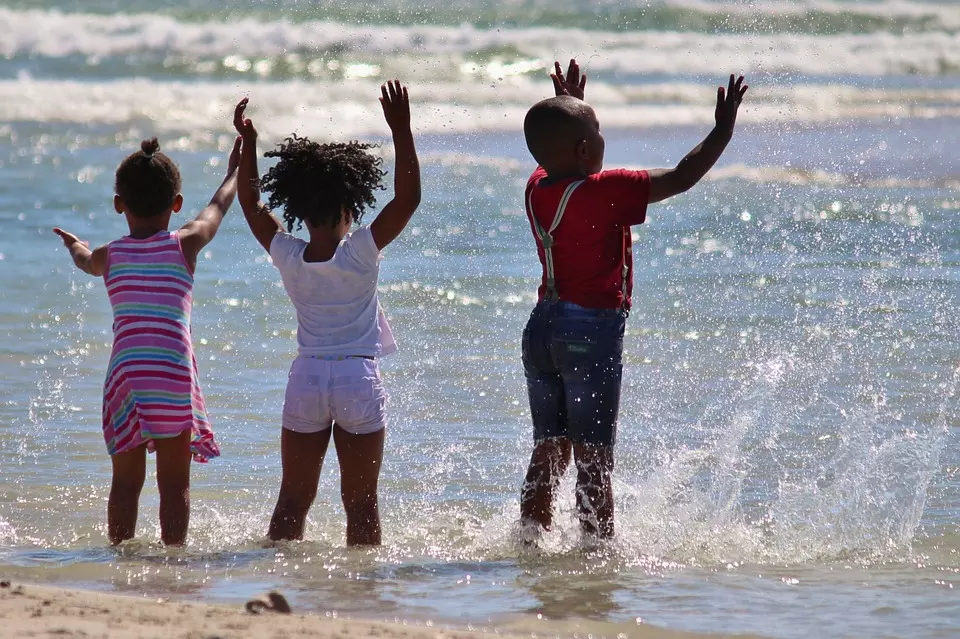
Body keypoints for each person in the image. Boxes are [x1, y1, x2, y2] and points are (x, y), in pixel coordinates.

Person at [519, 59, 748, 540]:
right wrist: (722, 132)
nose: (604, 136)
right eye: (597, 129)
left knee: (551, 447)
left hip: (542, 330)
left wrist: (570, 107)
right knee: (594, 456)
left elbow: (556, 153)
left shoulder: (537, 186)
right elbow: (683, 176)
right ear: (585, 149)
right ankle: (596, 557)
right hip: (589, 333)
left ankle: (530, 539)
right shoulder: (608, 190)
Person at [232, 80, 420, 546]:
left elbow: (252, 205)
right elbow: (407, 199)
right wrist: (402, 129)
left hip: (307, 378)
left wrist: (251, 145)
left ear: (297, 208)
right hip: (357, 378)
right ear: (348, 207)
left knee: (293, 500)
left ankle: (279, 576)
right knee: (361, 504)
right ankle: (359, 590)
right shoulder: (359, 252)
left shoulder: (288, 256)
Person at [52, 135, 241, 546]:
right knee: (174, 485)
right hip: (171, 374)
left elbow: (85, 263)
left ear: (119, 204)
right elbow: (217, 209)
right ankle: (172, 558)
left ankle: (121, 555)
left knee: (124, 484)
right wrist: (233, 173)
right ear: (176, 204)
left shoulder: (111, 254)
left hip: (126, 378)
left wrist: (74, 245)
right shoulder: (184, 243)